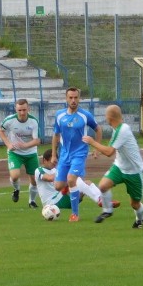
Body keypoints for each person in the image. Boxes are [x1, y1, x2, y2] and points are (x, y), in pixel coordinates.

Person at [82, 104, 143, 229]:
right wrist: (98, 151)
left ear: (110, 118)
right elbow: (112, 147)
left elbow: (109, 152)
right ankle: (108, 210)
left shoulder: (123, 130)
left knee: (135, 204)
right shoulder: (117, 129)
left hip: (134, 171)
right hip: (119, 167)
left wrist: (92, 142)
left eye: (106, 116)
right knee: (103, 186)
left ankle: (140, 219)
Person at [51, 87, 100, 222]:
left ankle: (75, 214)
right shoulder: (60, 115)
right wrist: (54, 155)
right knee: (58, 186)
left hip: (79, 153)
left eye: (76, 98)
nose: (73, 100)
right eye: (70, 98)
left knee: (71, 179)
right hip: (64, 154)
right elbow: (56, 135)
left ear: (79, 99)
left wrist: (97, 149)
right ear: (66, 99)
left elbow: (98, 129)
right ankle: (83, 187)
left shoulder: (85, 115)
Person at [33, 149, 119, 213]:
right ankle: (101, 200)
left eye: (56, 162)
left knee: (87, 183)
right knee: (75, 180)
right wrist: (66, 172)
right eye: (53, 162)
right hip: (51, 203)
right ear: (45, 160)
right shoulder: (39, 170)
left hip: (62, 198)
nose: (55, 164)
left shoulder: (56, 170)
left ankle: (102, 200)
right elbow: (50, 178)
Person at [0, 98, 41, 209]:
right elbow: (0, 131)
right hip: (15, 153)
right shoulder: (10, 120)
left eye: (24, 110)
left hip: (31, 153)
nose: (22, 113)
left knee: (34, 180)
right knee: (15, 176)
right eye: (19, 110)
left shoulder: (33, 121)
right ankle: (16, 190)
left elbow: (37, 140)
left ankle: (31, 201)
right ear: (16, 109)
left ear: (28, 109)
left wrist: (25, 146)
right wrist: (8, 144)